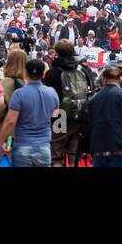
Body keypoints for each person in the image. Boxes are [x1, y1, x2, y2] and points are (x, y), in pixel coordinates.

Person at [0, 57, 59, 167]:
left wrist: (1, 140)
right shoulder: (52, 93)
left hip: (22, 146)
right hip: (44, 146)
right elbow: (56, 115)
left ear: (26, 73)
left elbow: (10, 121)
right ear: (43, 74)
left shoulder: (19, 94)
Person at [42, 38, 93, 166]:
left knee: (56, 154)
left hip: (59, 116)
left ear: (57, 52)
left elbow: (47, 97)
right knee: (73, 155)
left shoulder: (53, 73)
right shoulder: (82, 71)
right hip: (78, 115)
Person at [86, 64, 122, 167]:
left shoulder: (94, 98)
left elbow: (88, 122)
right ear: (119, 80)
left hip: (99, 147)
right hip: (121, 146)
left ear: (104, 79)